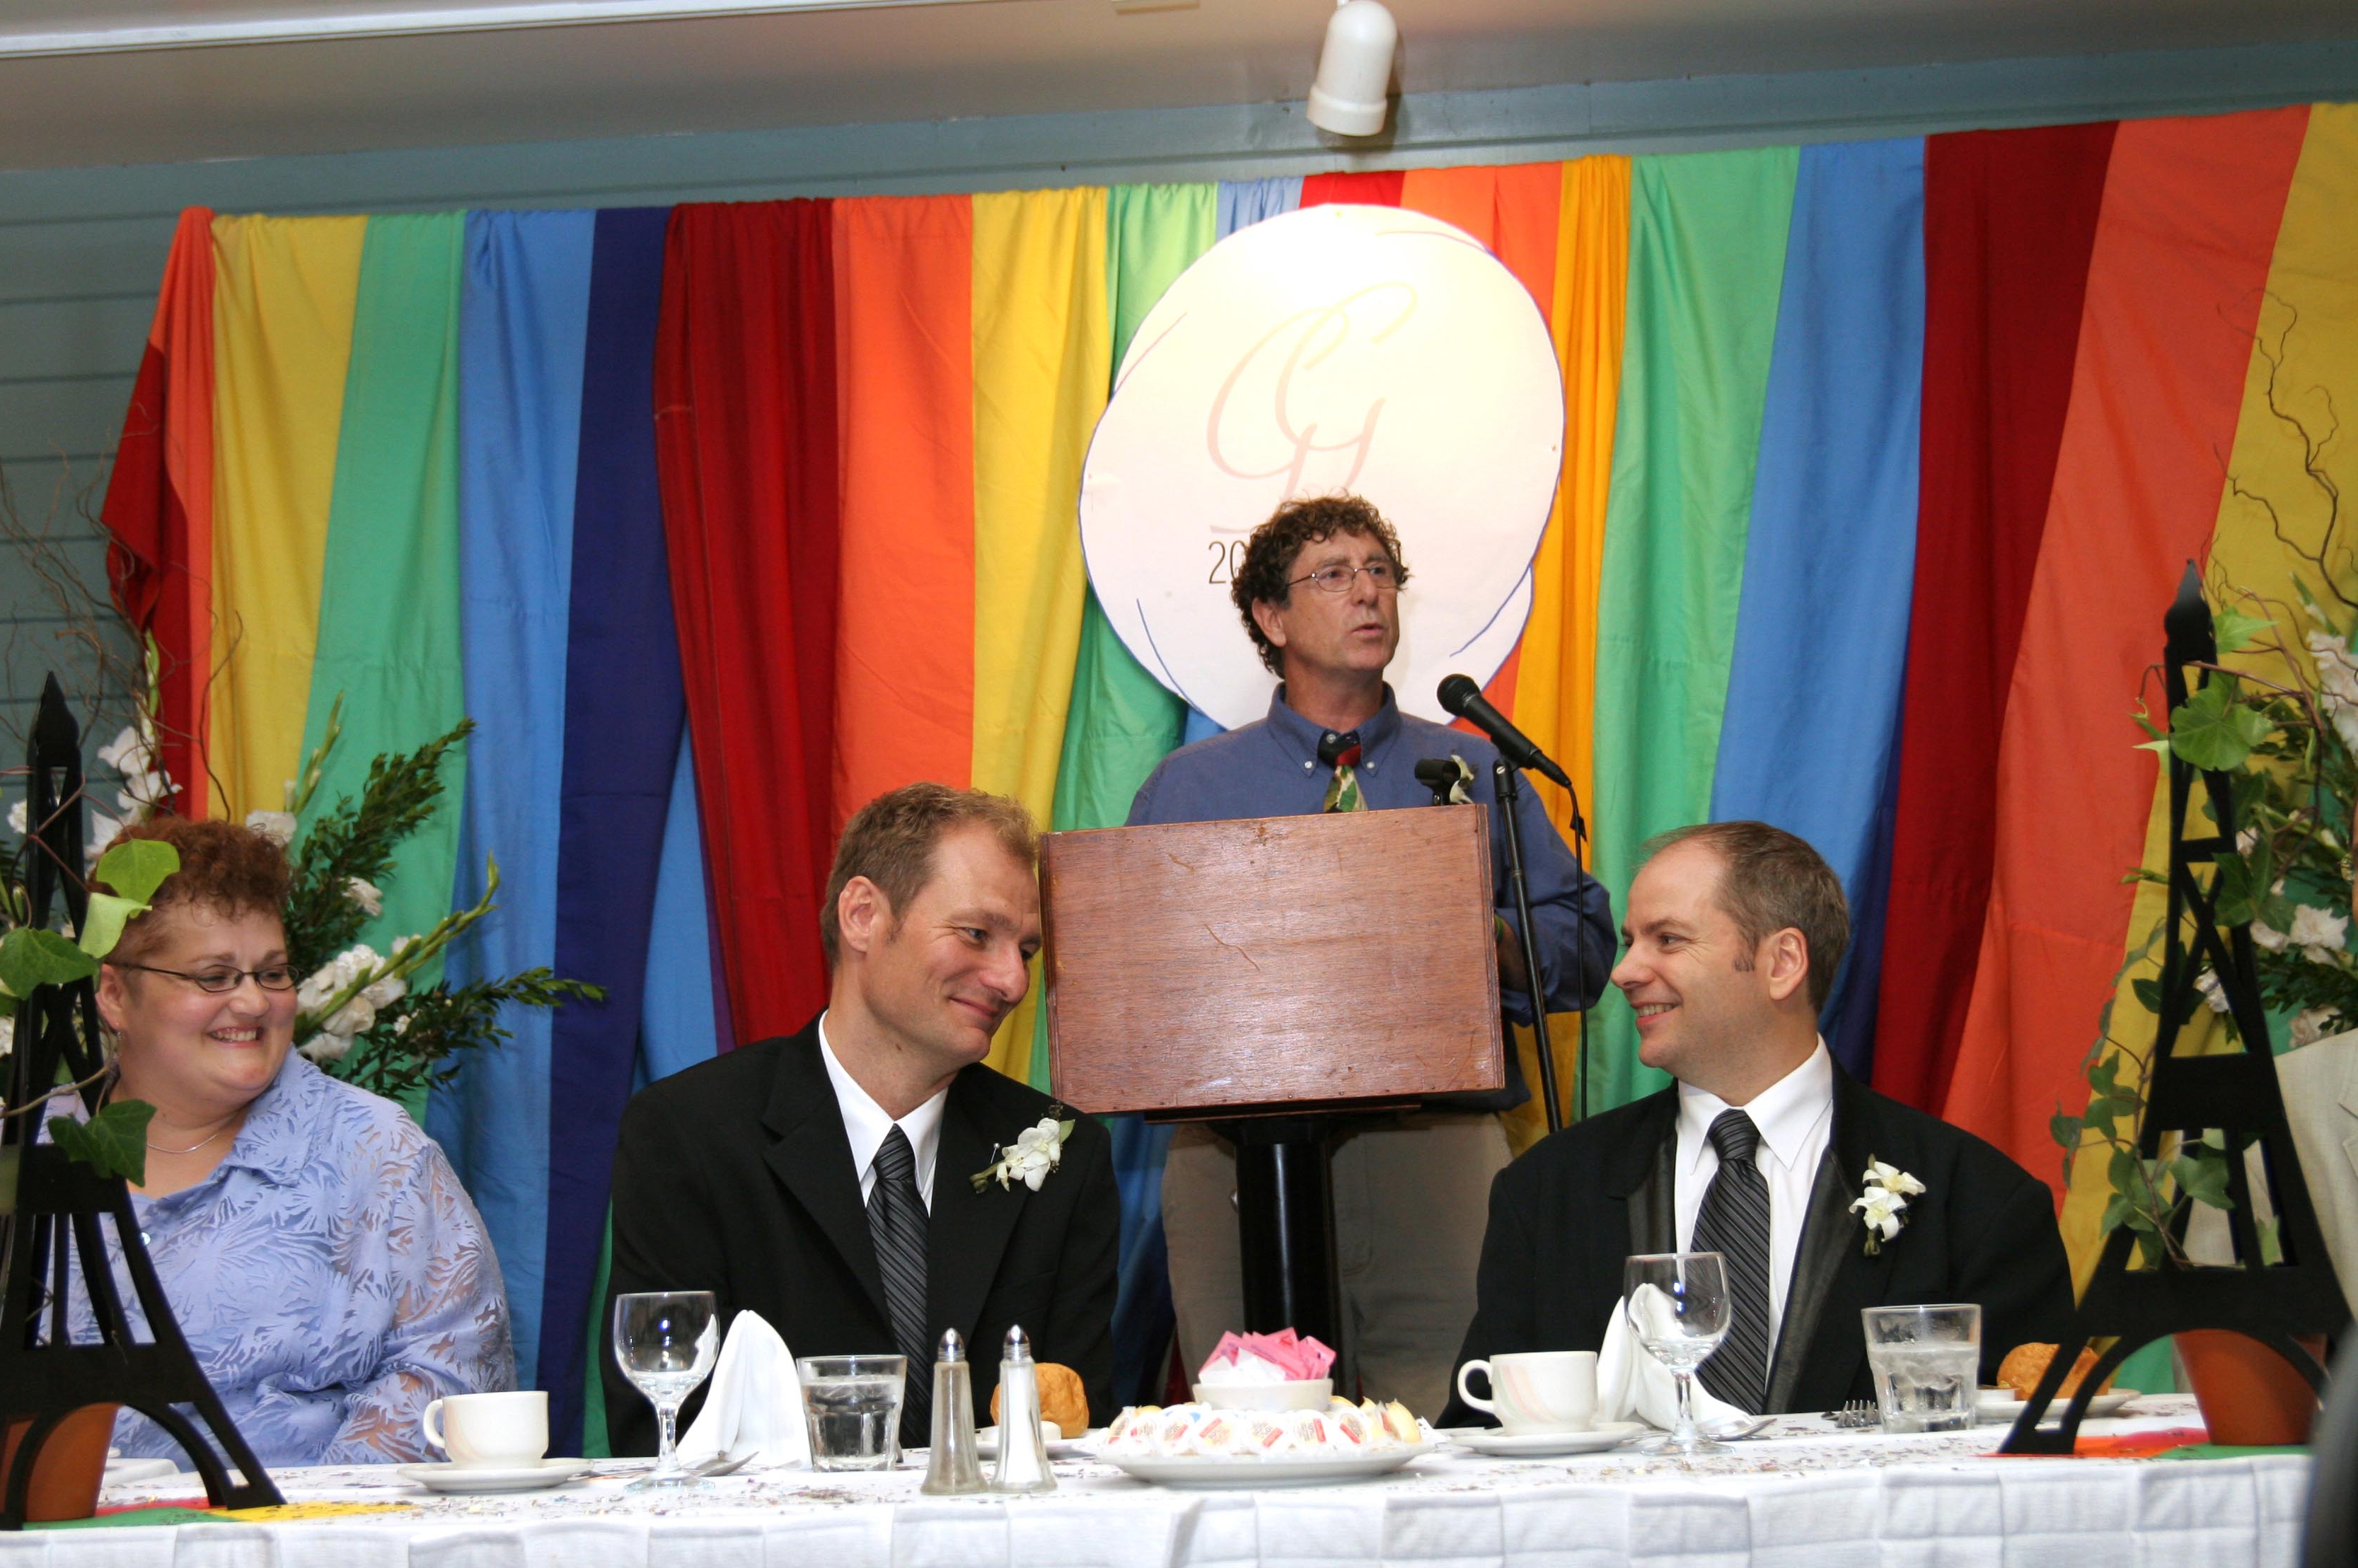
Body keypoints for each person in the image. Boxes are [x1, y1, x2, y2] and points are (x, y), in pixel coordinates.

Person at [1128, 493, 1616, 1416]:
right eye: (1335, 575)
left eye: (1382, 572)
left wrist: (1471, 933)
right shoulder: (1191, 787)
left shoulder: (1481, 771)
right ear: (1270, 617)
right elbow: (1138, 982)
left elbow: (1585, 946)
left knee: (1449, 1420)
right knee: (1254, 1427)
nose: (1368, 594)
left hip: (1434, 1145)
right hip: (1233, 1155)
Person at [0, 817, 514, 1466]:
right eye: (214, 976)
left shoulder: (379, 1156)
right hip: (6, 1556)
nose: (252, 1003)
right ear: (115, 993)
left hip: (291, 1550)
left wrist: (288, 1538)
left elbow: (451, 1380)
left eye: (272, 973)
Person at [1440, 821, 2075, 1423]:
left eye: (1667, 939)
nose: (1625, 972)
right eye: (1632, 940)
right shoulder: (1546, 1193)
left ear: (1782, 962)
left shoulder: (1978, 1203)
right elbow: (1480, 1434)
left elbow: (2028, 1461)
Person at [603, 783, 1120, 1451]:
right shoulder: (688, 1135)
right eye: (977, 934)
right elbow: (658, 1428)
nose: (1012, 982)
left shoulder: (1062, 1153)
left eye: (1025, 951)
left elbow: (1080, 1437)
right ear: (864, 916)